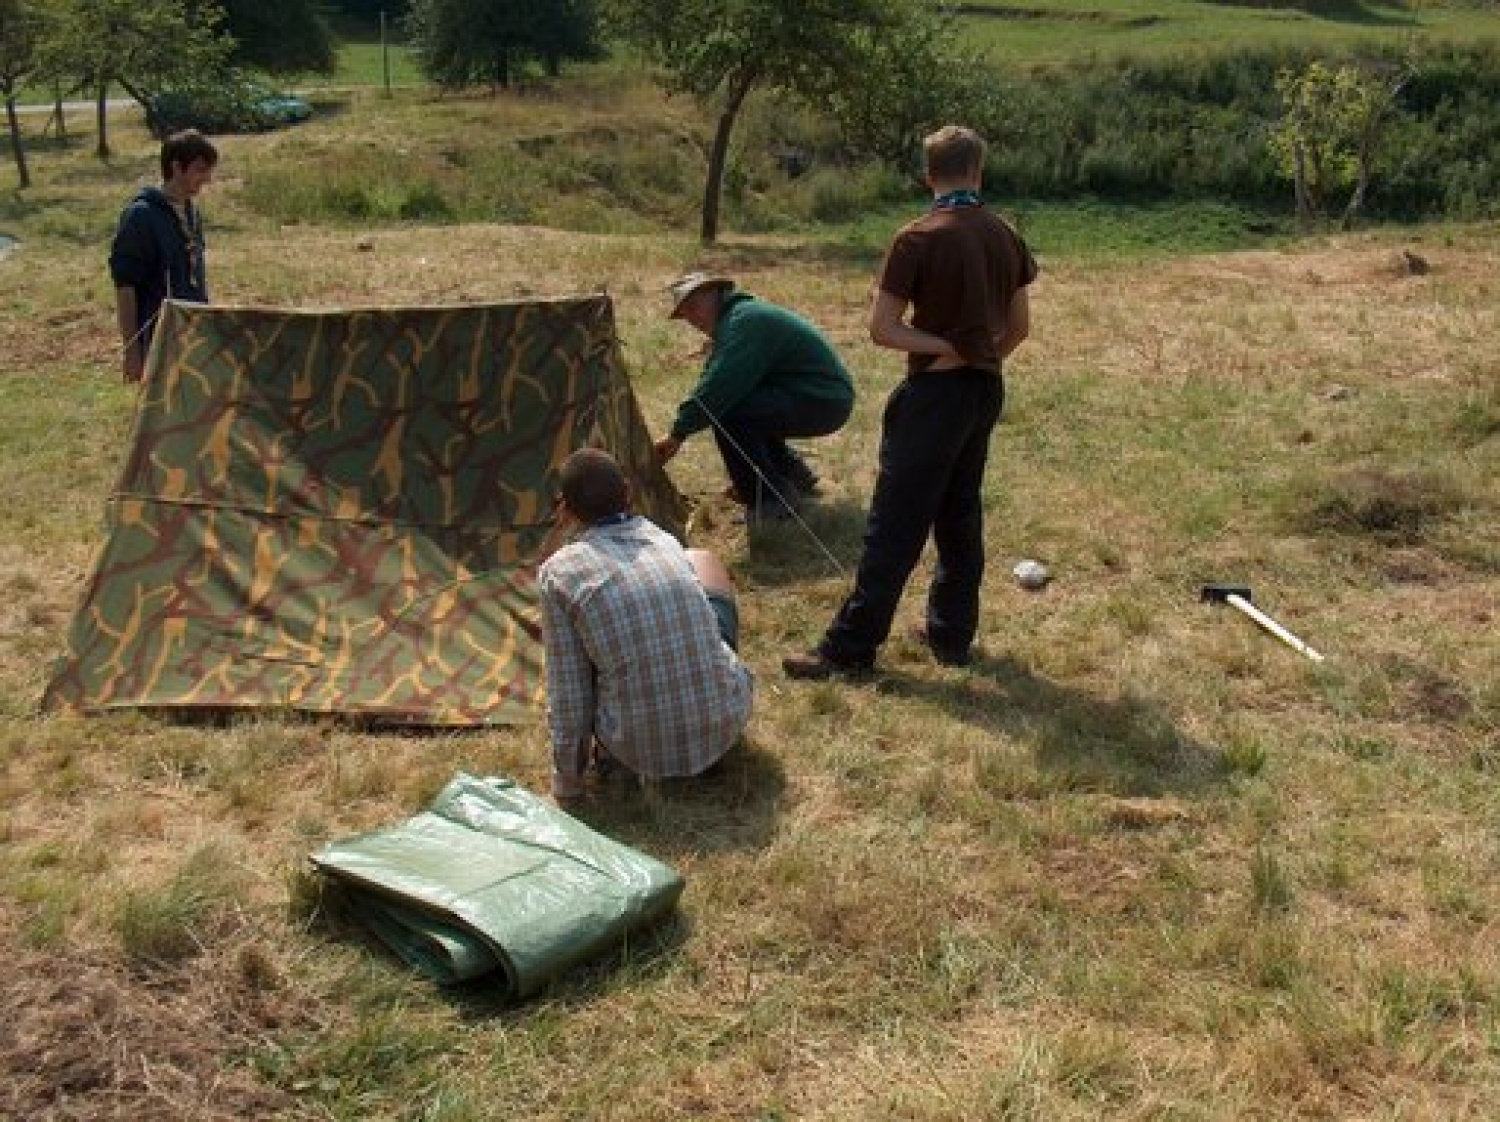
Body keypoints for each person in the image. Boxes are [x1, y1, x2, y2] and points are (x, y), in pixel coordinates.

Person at [783, 124, 1038, 679]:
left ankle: (849, 649)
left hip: (934, 396)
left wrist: (945, 348)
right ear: (978, 171)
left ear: (929, 175)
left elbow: (884, 328)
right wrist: (978, 356)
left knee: (895, 523)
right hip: (984, 390)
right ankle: (950, 635)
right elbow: (1018, 329)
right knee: (959, 511)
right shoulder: (1006, 234)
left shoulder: (916, 238)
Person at [539, 447, 754, 800]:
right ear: (628, 492)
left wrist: (568, 783)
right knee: (701, 559)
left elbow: (569, 692)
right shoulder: (664, 540)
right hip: (723, 728)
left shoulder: (559, 574)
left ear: (565, 507)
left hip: (635, 752)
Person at [654, 273, 854, 520]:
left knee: (729, 412)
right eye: (685, 315)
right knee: (748, 407)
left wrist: (678, 432)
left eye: (693, 307)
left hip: (822, 399)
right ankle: (792, 474)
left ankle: (770, 498)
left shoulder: (743, 321)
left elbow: (720, 387)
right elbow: (714, 380)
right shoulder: (737, 321)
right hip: (820, 396)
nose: (692, 319)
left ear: (715, 294)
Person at [109, 129, 219, 384]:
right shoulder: (141, 216)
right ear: (177, 168)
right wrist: (132, 351)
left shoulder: (192, 212)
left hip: (192, 337)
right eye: (200, 170)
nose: (207, 179)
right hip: (158, 340)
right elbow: (125, 286)